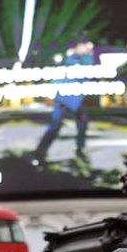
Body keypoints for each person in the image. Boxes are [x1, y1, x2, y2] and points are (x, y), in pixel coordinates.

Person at [31, 35, 96, 165]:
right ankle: (39, 153)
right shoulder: (71, 59)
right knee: (56, 126)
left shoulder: (83, 59)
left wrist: (86, 54)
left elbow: (88, 71)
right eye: (85, 46)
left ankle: (79, 149)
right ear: (79, 46)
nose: (88, 48)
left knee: (81, 122)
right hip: (64, 98)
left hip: (73, 99)